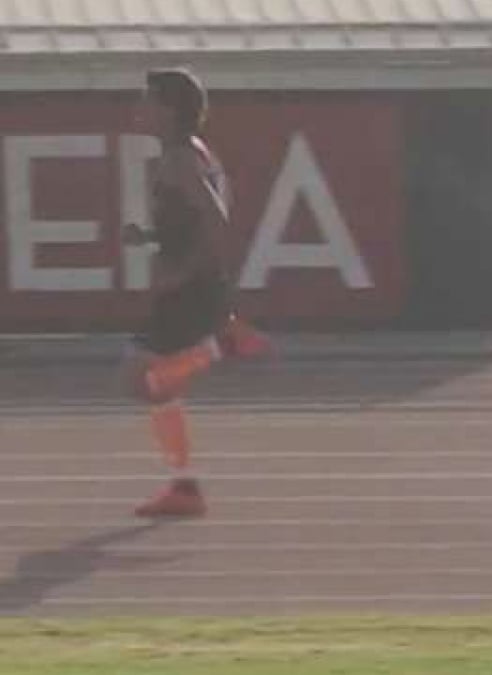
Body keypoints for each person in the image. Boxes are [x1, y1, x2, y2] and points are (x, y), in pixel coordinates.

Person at [121, 67, 272, 519]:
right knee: (157, 386)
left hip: (192, 288)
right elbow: (189, 222)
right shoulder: (185, 153)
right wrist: (148, 238)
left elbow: (216, 220)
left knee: (139, 377)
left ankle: (217, 346)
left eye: (148, 100)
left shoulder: (180, 158)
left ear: (168, 110)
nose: (140, 108)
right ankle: (184, 488)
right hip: (195, 287)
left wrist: (181, 271)